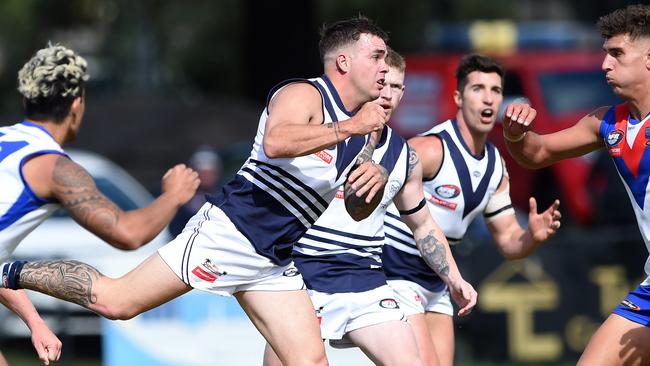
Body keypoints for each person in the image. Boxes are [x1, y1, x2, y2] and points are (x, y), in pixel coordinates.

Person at [0, 16, 471, 366]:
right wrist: (351, 127)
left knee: (310, 362)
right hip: (231, 234)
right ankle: (9, 271)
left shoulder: (370, 134)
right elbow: (276, 141)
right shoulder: (305, 94)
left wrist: (367, 191)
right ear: (343, 62)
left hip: (275, 257)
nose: (385, 71)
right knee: (116, 302)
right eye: (376, 58)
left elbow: (353, 204)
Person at [263, 48, 477, 366]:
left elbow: (423, 226)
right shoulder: (326, 132)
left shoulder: (406, 156)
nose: (387, 94)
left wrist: (455, 279)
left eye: (397, 87)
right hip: (303, 277)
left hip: (364, 281)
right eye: (383, 83)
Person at [0, 44, 200, 365]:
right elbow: (129, 234)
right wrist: (173, 196)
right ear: (77, 104)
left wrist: (35, 323)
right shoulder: (54, 168)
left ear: (26, 100)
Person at [382, 54, 562, 366]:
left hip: (437, 283)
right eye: (478, 88)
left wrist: (533, 236)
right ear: (458, 97)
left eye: (496, 90)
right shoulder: (428, 149)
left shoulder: (495, 168)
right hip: (394, 273)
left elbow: (508, 241)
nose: (488, 98)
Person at [503, 5, 650, 365]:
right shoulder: (605, 122)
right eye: (605, 54)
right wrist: (515, 133)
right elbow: (536, 153)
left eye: (617, 54)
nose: (605, 65)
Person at [169, 145, 223, 236]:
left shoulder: (224, 197)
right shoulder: (183, 199)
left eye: (210, 173)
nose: (207, 177)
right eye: (203, 172)